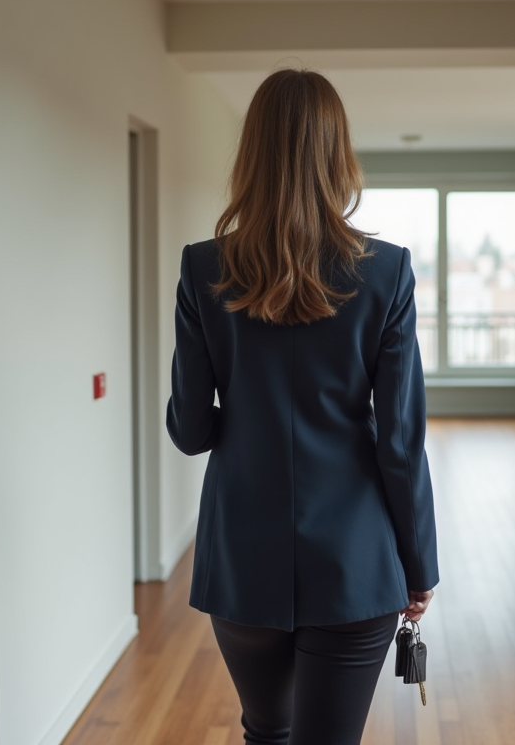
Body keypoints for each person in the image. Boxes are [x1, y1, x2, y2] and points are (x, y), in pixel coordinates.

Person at [165, 68, 439, 745]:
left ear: (250, 154)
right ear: (337, 154)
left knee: (268, 732)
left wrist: (252, 418)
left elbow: (191, 431)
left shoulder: (203, 267)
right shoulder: (387, 271)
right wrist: (420, 565)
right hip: (355, 559)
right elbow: (399, 442)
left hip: (241, 555)